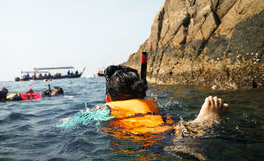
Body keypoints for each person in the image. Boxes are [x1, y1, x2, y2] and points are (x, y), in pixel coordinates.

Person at [59, 63, 229, 140]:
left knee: (172, 141)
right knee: (176, 135)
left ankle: (199, 125)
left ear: (109, 97)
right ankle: (198, 125)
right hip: (164, 131)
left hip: (146, 140)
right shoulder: (152, 105)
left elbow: (76, 122)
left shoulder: (105, 109)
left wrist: (66, 121)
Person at [0, 85, 64, 102]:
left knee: (52, 94)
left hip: (40, 96)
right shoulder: (10, 97)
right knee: (52, 94)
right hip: (41, 96)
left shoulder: (9, 97)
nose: (3, 91)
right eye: (2, 92)